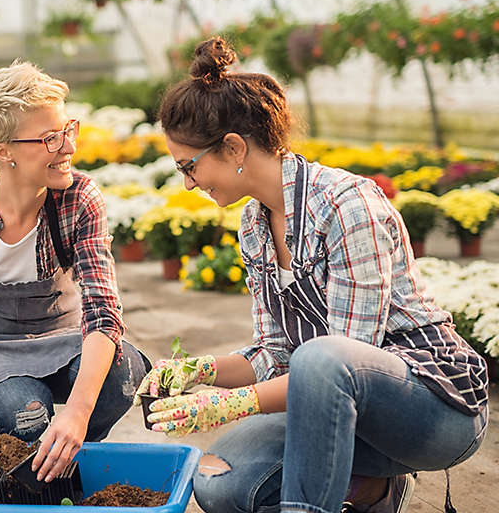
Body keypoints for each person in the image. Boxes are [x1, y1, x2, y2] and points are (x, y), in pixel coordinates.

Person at [134, 37, 488, 513]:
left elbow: (342, 361)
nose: (188, 183)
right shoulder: (255, 223)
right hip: (337, 411)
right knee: (222, 482)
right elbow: (276, 353)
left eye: (189, 167)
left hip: (430, 407)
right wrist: (203, 372)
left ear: (234, 146)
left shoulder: (347, 206)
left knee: (322, 359)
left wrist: (233, 404)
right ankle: (371, 491)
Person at [0, 60, 148, 484]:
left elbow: (103, 316)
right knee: (25, 417)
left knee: (120, 376)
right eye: (50, 138)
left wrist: (76, 413)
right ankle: (36, 468)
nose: (68, 146)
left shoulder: (79, 199)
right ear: (4, 151)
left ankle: (59, 458)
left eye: (68, 129)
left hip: (63, 335)